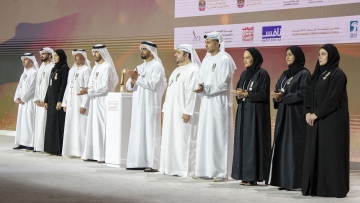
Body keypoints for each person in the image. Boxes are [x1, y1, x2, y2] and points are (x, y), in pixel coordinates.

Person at [302, 44, 349, 198]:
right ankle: (314, 187)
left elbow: (333, 98)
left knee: (329, 155)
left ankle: (331, 188)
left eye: (323, 54)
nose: (319, 57)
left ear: (331, 56)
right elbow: (308, 95)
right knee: (314, 154)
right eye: (319, 54)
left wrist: (316, 114)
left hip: (331, 122)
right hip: (314, 121)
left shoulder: (338, 74)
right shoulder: (316, 74)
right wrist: (307, 112)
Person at [193, 32, 236, 182]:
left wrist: (207, 89)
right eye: (206, 42)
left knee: (218, 136)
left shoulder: (225, 59)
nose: (206, 45)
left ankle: (220, 171)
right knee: (205, 134)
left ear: (218, 43)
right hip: (206, 102)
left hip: (219, 102)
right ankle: (203, 169)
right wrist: (199, 87)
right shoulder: (206, 60)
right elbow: (200, 79)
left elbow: (224, 83)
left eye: (209, 42)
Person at [268, 46, 310, 190]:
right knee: (282, 146)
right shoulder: (285, 74)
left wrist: (285, 96)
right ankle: (283, 180)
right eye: (286, 54)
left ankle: (295, 181)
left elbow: (304, 94)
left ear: (297, 56)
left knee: (293, 147)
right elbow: (277, 89)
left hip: (295, 116)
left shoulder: (304, 74)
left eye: (290, 54)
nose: (287, 57)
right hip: (283, 114)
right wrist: (277, 97)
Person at [231, 47, 271, 186]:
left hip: (256, 115)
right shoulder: (243, 74)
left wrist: (247, 94)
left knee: (253, 145)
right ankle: (244, 175)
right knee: (243, 144)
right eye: (244, 58)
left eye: (247, 57)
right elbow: (241, 90)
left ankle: (253, 176)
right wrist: (239, 93)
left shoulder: (262, 74)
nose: (245, 60)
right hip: (243, 113)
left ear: (255, 58)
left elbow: (264, 95)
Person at [160, 44, 201, 177]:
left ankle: (184, 170)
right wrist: (164, 109)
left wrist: (188, 111)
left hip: (183, 113)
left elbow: (192, 93)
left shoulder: (193, 70)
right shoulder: (176, 71)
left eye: (178, 52)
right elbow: (169, 92)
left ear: (186, 55)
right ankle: (171, 168)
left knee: (184, 141)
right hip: (171, 113)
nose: (175, 55)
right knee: (171, 140)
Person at [126, 41, 167, 172]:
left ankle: (153, 164)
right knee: (138, 132)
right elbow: (129, 86)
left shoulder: (157, 66)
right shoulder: (139, 66)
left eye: (144, 49)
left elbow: (154, 84)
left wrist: (137, 79)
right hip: (138, 106)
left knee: (151, 133)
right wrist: (132, 80)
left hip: (150, 104)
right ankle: (138, 161)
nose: (142, 51)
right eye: (141, 49)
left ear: (151, 50)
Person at [81, 44, 118, 163]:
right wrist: (87, 91)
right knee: (93, 127)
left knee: (101, 128)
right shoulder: (96, 67)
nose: (94, 55)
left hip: (103, 101)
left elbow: (105, 88)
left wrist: (89, 90)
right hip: (94, 101)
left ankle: (102, 155)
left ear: (102, 53)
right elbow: (92, 85)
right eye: (93, 52)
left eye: (96, 52)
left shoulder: (106, 67)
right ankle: (92, 154)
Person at [61, 49, 92, 157]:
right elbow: (68, 88)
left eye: (77, 56)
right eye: (74, 56)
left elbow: (88, 89)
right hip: (71, 104)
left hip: (80, 104)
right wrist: (64, 103)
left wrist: (84, 105)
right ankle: (71, 151)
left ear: (83, 57)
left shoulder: (87, 70)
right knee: (71, 127)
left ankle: (81, 152)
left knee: (81, 128)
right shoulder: (72, 71)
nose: (75, 58)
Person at [43, 49, 69, 155]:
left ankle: (58, 149)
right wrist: (46, 100)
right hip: (51, 101)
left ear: (61, 57)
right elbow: (49, 86)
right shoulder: (54, 69)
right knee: (51, 125)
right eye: (54, 55)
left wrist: (60, 100)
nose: (54, 57)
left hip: (58, 101)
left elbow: (64, 86)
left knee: (58, 124)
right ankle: (50, 148)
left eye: (56, 55)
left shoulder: (64, 68)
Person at [13, 53, 39, 150]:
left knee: (29, 121)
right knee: (22, 122)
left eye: (26, 59)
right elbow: (19, 86)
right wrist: (17, 97)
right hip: (22, 102)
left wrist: (23, 98)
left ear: (32, 61)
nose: (23, 61)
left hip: (30, 102)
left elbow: (32, 88)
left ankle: (31, 143)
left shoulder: (34, 73)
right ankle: (22, 142)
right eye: (23, 60)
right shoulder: (24, 73)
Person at [33, 47, 54, 152]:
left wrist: (46, 100)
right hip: (38, 101)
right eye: (41, 54)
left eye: (44, 54)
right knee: (38, 125)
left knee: (45, 125)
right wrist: (36, 98)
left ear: (50, 55)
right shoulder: (41, 67)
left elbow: (51, 86)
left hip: (46, 102)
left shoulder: (52, 67)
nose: (41, 55)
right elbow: (37, 84)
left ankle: (43, 146)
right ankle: (38, 146)